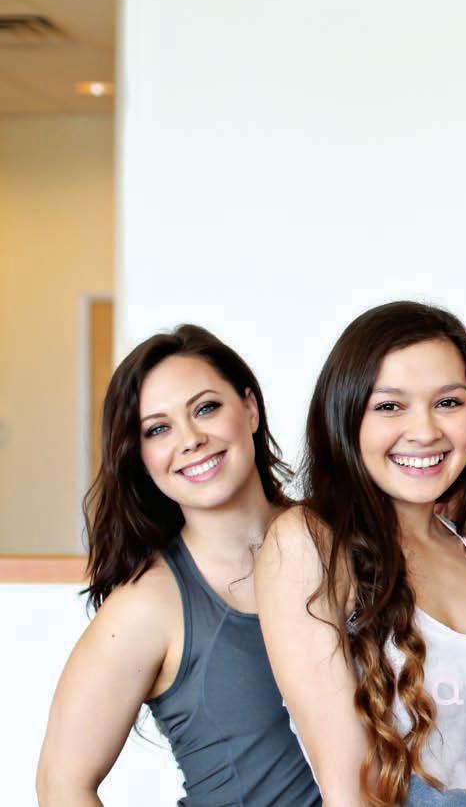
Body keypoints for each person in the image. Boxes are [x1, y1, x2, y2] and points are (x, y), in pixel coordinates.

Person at [254, 301, 466, 806]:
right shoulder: (308, 543)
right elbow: (351, 787)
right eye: (390, 406)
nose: (426, 431)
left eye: (448, 402)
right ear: (345, 414)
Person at [36, 326, 320, 806]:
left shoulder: (338, 537)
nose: (190, 439)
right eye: (158, 429)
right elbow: (60, 784)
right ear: (141, 457)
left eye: (205, 408)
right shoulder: (148, 605)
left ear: (249, 409)